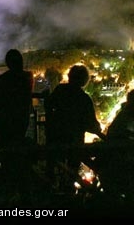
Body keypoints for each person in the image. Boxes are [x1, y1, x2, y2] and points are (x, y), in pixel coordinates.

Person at [44, 64, 105, 193]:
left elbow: (49, 106)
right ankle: (70, 194)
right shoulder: (84, 99)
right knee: (71, 171)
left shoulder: (60, 91)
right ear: (84, 80)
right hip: (74, 142)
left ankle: (52, 192)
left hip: (55, 139)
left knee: (55, 169)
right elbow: (91, 124)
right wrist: (99, 130)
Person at [0, 49, 34, 204]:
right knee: (17, 145)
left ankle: (8, 179)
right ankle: (19, 180)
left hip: (4, 120)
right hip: (20, 119)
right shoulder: (27, 77)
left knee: (6, 147)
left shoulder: (2, 80)